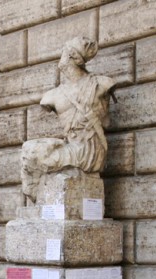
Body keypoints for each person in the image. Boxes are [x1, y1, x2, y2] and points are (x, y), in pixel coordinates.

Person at [21, 36, 116, 203]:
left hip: (89, 149)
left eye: (63, 53)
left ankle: (38, 199)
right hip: (72, 145)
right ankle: (37, 199)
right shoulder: (52, 95)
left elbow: (107, 122)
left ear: (73, 57)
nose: (60, 58)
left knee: (34, 155)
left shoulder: (101, 84)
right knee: (29, 150)